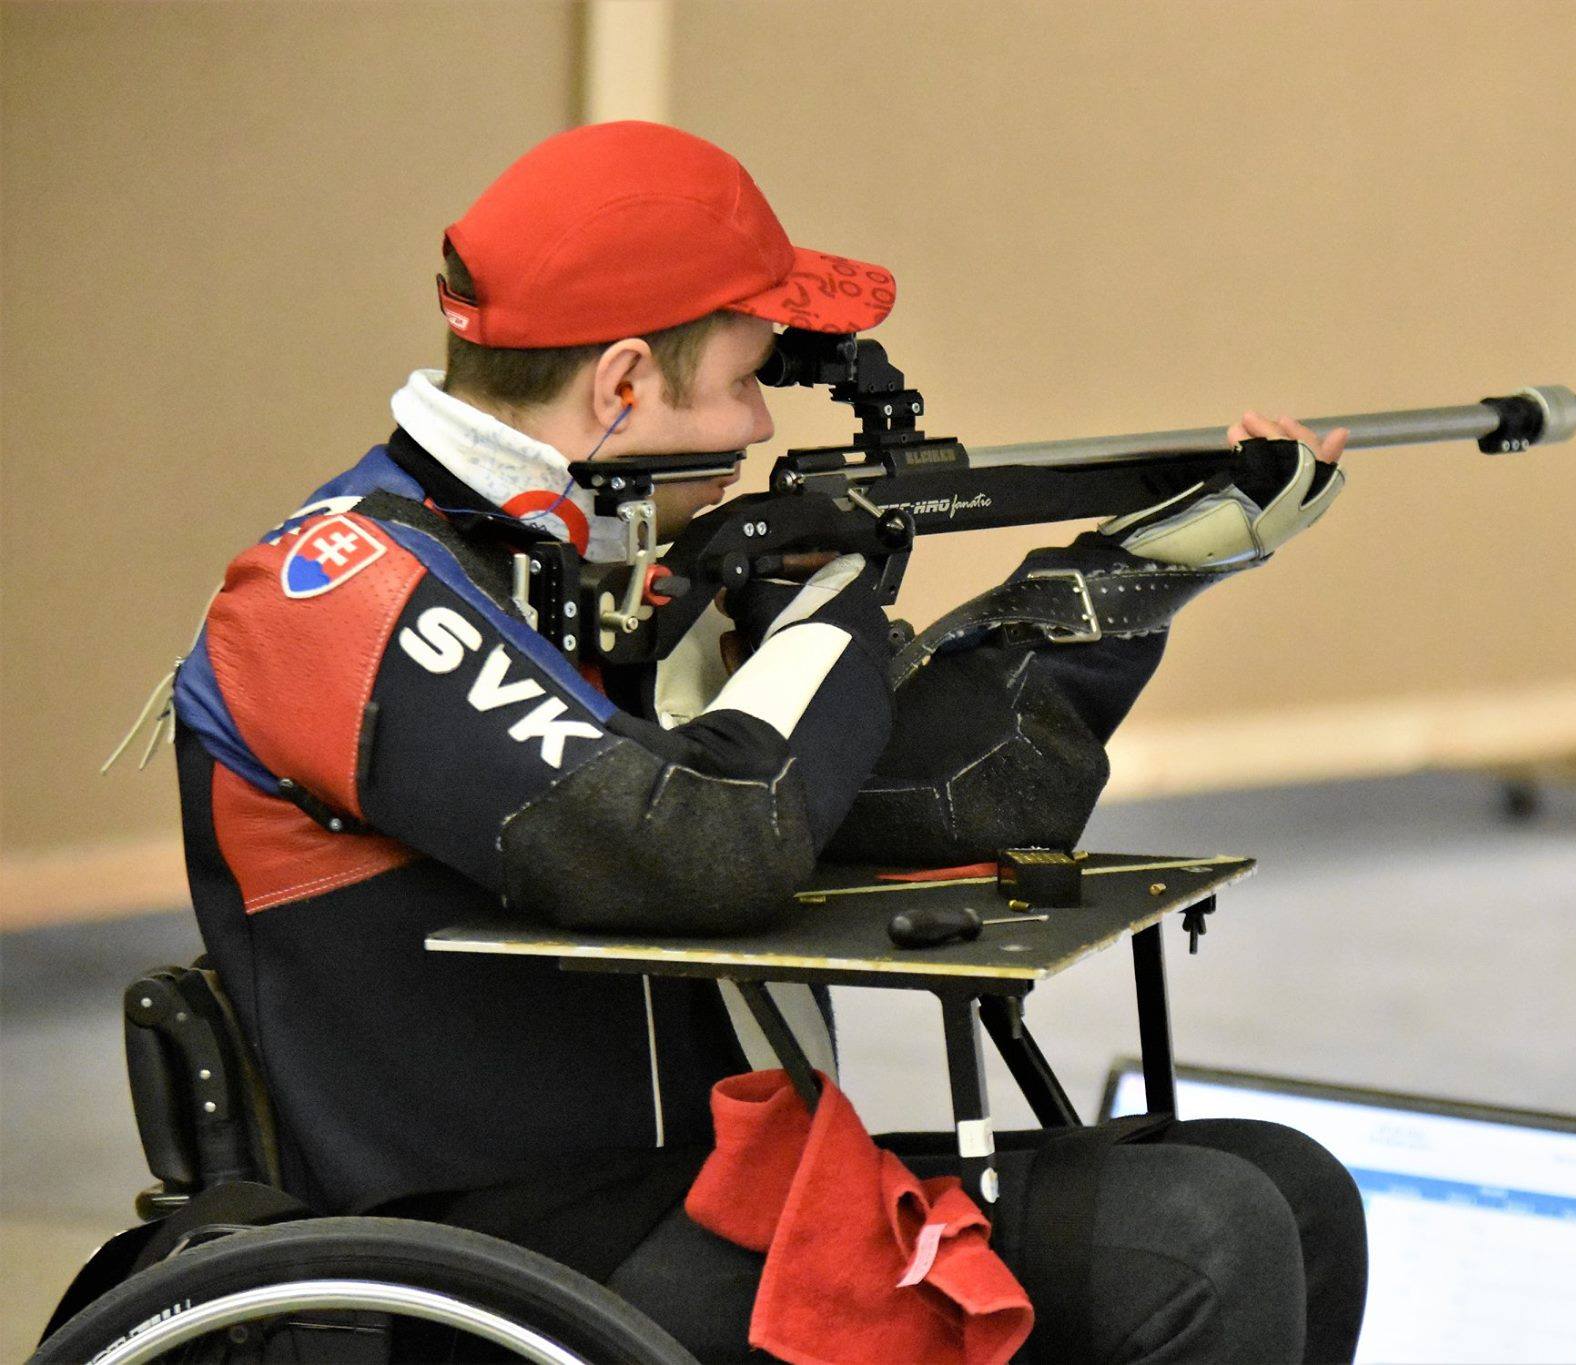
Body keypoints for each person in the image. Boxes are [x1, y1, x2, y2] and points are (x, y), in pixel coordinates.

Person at [168, 119, 1365, 1362]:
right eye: (743, 379)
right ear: (624, 384)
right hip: (478, 1265)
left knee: (1288, 1188)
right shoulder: (331, 591)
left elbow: (946, 798)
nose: (755, 428)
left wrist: (1127, 581)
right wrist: (826, 614)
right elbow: (706, 843)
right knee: (1201, 1236)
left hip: (690, 1195)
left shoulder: (601, 573)